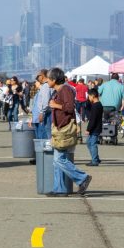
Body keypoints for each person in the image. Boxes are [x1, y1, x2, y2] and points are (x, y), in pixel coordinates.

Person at [47, 67, 92, 196]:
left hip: (64, 129)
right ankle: (59, 189)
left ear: (54, 80)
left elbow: (69, 108)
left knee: (59, 160)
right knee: (57, 161)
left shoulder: (65, 89)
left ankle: (82, 178)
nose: (47, 81)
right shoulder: (59, 91)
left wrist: (55, 105)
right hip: (59, 128)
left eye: (48, 79)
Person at [85, 88, 103, 166]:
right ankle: (96, 158)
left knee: (92, 144)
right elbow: (87, 107)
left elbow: (93, 119)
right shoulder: (97, 105)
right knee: (89, 142)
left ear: (93, 96)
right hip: (95, 128)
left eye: (89, 96)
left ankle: (95, 160)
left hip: (95, 128)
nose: (88, 97)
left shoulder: (96, 106)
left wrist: (88, 129)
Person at [35, 69, 53, 139]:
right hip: (48, 112)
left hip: (47, 113)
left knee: (48, 134)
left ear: (42, 76)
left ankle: (50, 148)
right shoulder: (47, 85)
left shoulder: (45, 86)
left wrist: (42, 112)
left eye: (37, 76)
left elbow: (45, 101)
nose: (37, 78)